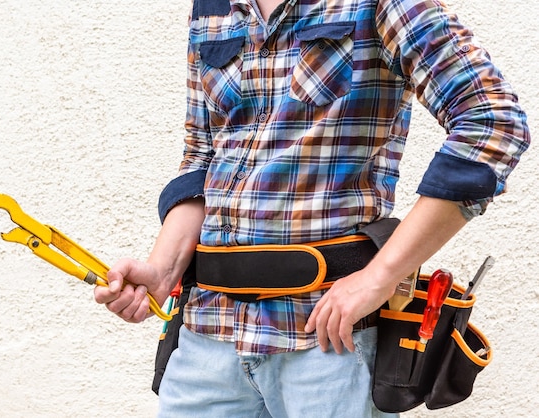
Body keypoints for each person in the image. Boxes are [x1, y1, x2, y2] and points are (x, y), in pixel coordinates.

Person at [95, 0, 530, 416]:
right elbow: (203, 155)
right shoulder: (212, 5)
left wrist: (380, 278)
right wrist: (164, 268)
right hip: (207, 340)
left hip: (326, 346)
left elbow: (492, 122)